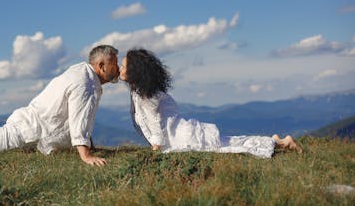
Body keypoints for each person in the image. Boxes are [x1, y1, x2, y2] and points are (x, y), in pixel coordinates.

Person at [119, 48, 302, 158]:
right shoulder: (144, 91)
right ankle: (278, 141)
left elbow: (153, 120)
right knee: (229, 143)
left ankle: (279, 143)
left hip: (181, 139)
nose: (120, 68)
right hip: (181, 133)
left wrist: (156, 148)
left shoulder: (146, 95)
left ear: (134, 71)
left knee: (230, 148)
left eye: (124, 66)